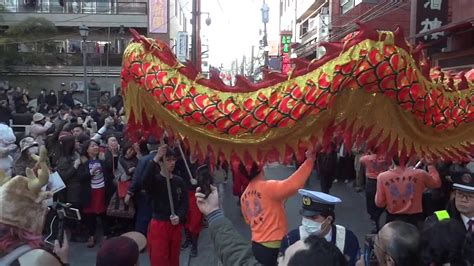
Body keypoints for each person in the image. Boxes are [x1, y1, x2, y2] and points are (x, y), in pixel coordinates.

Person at [195, 185, 348, 266]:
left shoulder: (347, 238)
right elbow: (239, 256)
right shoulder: (291, 238)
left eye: (282, 260)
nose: (277, 261)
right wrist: (213, 213)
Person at [240, 147, 315, 266]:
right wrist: (309, 161)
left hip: (256, 245)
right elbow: (293, 184)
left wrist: (276, 207)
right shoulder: (267, 187)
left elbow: (249, 220)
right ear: (261, 168)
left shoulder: (244, 196)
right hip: (274, 246)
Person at [280, 189, 360, 266]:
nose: (307, 221)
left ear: (328, 219)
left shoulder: (347, 239)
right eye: (305, 216)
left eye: (313, 217)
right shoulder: (291, 239)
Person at [142, 144, 188, 266]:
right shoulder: (155, 181)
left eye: (173, 160)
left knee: (174, 259)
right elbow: (144, 181)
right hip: (159, 226)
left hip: (175, 225)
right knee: (160, 260)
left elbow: (184, 203)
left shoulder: (179, 181)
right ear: (161, 163)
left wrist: (180, 216)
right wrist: (156, 158)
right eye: (168, 160)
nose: (172, 163)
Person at [375, 157, 441, 227]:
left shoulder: (382, 177)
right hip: (415, 218)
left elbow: (379, 203)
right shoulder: (420, 174)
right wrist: (430, 165)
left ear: (392, 159)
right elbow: (437, 184)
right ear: (409, 159)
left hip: (393, 218)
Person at [77, 139, 115, 248]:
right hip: (90, 192)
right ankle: (91, 236)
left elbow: (110, 171)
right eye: (92, 146)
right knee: (90, 215)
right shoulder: (82, 162)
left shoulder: (102, 160)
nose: (95, 147)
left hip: (102, 190)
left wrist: (113, 155)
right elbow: (80, 177)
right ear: (87, 150)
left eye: (96, 146)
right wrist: (90, 173)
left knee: (104, 214)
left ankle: (106, 236)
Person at [125, 136, 158, 235]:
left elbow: (137, 178)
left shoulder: (144, 160)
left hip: (146, 194)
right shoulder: (165, 158)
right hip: (161, 193)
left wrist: (130, 192)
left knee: (144, 218)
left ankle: (141, 238)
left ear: (148, 146)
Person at [359, 151, 389, 232]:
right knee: (382, 201)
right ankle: (379, 217)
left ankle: (374, 219)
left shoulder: (367, 158)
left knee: (370, 201)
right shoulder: (385, 157)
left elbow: (360, 160)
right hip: (383, 181)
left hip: (371, 182)